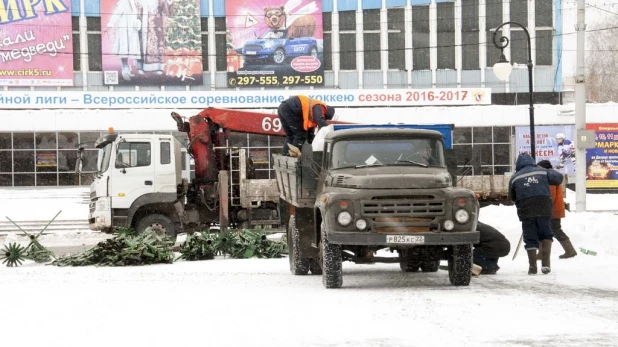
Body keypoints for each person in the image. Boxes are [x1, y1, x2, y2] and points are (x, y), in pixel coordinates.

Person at [508, 153, 563, 275]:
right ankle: (546, 264)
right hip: (543, 206)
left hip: (526, 208)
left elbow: (511, 197)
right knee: (546, 234)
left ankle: (532, 267)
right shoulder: (542, 172)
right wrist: (543, 170)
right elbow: (559, 178)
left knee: (530, 237)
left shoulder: (515, 177)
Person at [536, 160, 577, 259]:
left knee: (554, 230)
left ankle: (570, 250)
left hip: (552, 210)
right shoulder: (550, 176)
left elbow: (550, 196)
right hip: (552, 209)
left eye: (539, 167)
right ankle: (542, 253)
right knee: (545, 231)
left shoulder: (550, 178)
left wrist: (543, 207)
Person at [106, 0, 142, 81]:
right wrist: (111, 23)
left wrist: (137, 23)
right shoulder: (123, 2)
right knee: (124, 51)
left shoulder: (135, 3)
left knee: (129, 51)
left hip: (132, 30)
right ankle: (125, 71)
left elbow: (136, 16)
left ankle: (127, 70)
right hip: (124, 30)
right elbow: (117, 13)